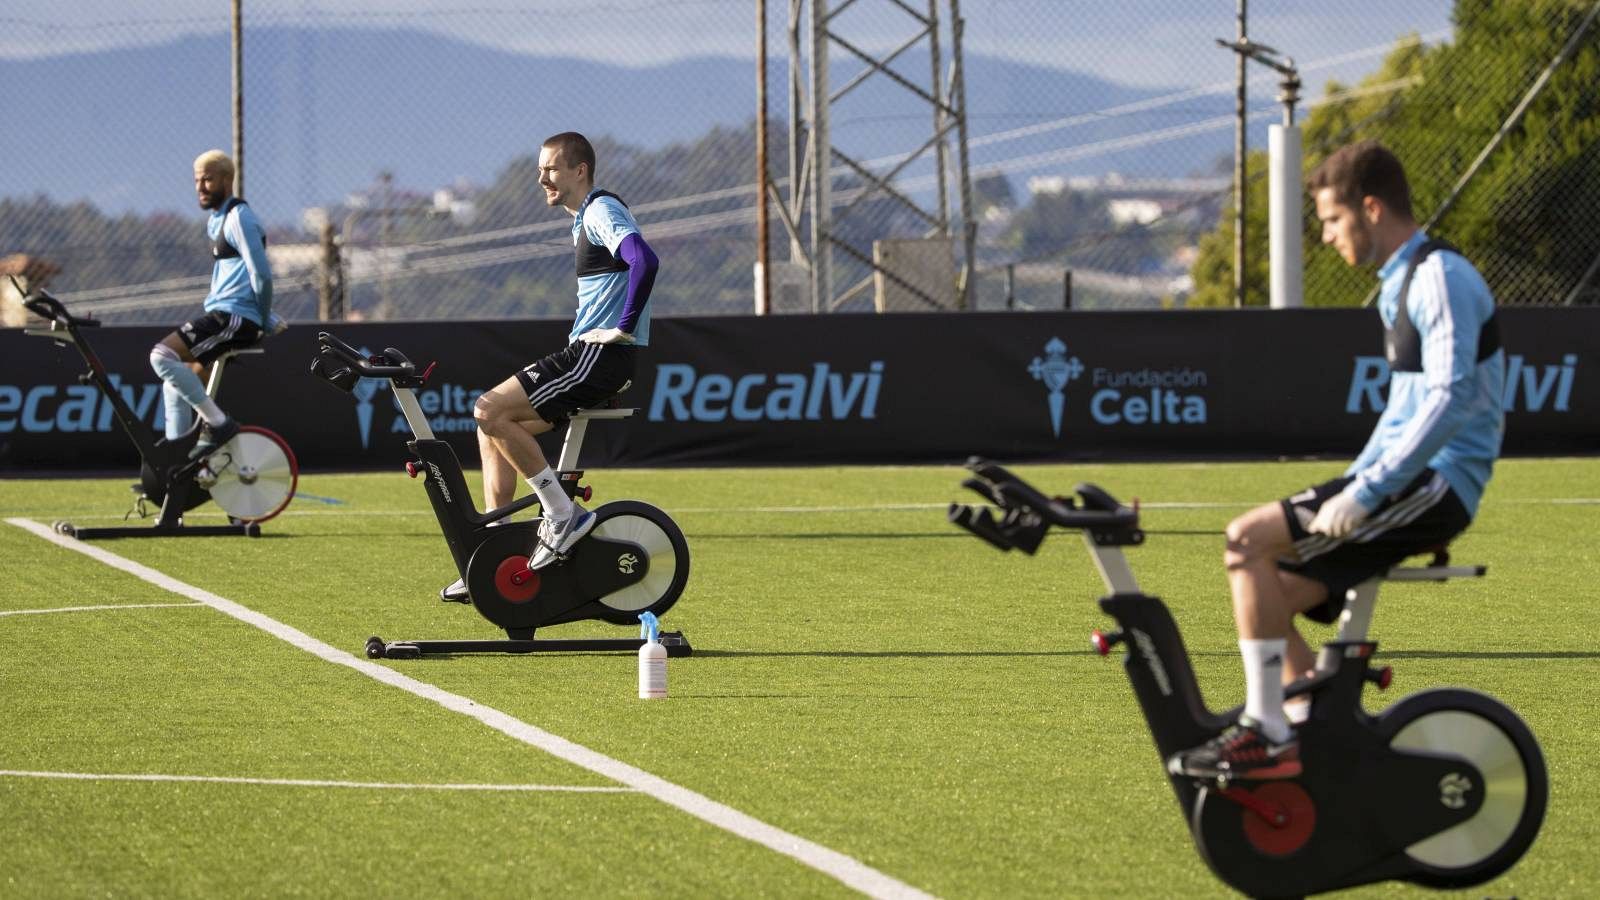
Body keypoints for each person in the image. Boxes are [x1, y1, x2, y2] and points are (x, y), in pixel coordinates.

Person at [1173, 140, 1506, 780]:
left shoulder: (1439, 278)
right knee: (1262, 580)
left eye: (1330, 219)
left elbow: (1453, 397)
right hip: (1409, 482)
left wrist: (1366, 492)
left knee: (1245, 541)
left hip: (1437, 484)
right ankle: (1314, 733)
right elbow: (1402, 413)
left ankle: (1267, 729)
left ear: (1371, 208)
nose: (1325, 236)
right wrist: (1353, 484)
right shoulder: (1401, 282)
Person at [446, 131, 659, 597]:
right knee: (491, 426)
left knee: (488, 409)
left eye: (552, 169)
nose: (542, 177)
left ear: (579, 171)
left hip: (599, 356)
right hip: (591, 354)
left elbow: (643, 258)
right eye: (541, 169)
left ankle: (563, 514)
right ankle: (493, 550)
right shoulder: (584, 218)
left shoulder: (601, 209)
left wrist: (622, 326)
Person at [149, 150, 274, 459]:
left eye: (207, 179)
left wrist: (263, 318)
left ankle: (218, 424)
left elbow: (261, 275)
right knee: (174, 385)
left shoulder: (239, 218)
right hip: (223, 314)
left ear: (227, 180)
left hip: (234, 317)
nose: (200, 187)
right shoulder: (216, 220)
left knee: (161, 356)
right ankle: (176, 463)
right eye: (196, 180)